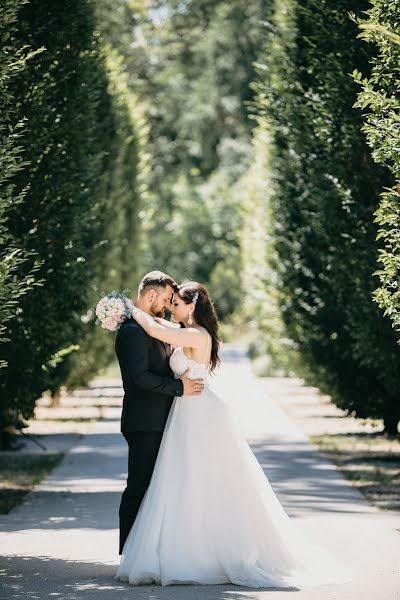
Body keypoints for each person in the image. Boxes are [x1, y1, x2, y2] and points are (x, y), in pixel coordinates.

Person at [116, 280, 353, 588]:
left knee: (198, 482)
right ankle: (176, 548)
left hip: (197, 413)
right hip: (185, 412)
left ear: (192, 306)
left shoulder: (194, 334)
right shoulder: (186, 332)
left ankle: (199, 552)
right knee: (183, 482)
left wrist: (127, 309)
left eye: (176, 303)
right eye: (169, 302)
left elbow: (155, 330)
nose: (170, 307)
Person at [115, 271, 205, 555]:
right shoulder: (131, 331)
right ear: (151, 295)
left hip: (165, 421)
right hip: (144, 422)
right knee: (138, 487)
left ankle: (153, 552)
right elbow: (139, 377)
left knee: (159, 491)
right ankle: (129, 553)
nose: (168, 305)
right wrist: (179, 387)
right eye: (166, 299)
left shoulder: (154, 326)